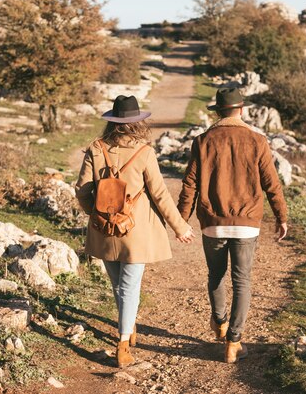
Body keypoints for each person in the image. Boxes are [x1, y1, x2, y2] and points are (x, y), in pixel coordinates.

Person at [76, 95, 194, 368]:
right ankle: (123, 343)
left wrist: (94, 213)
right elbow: (160, 194)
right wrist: (180, 227)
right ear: (137, 123)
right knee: (129, 286)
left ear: (112, 121)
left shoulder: (96, 148)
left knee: (119, 286)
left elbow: (82, 190)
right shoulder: (144, 152)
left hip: (103, 229)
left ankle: (127, 328)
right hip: (135, 231)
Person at [177, 87, 289, 364]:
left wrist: (181, 218)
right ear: (241, 110)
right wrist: (281, 216)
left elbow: (190, 183)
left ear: (217, 112)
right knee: (242, 281)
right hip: (247, 223)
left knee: (215, 275)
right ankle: (234, 342)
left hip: (213, 222)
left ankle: (220, 322)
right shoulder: (257, 140)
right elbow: (271, 184)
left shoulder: (202, 141)